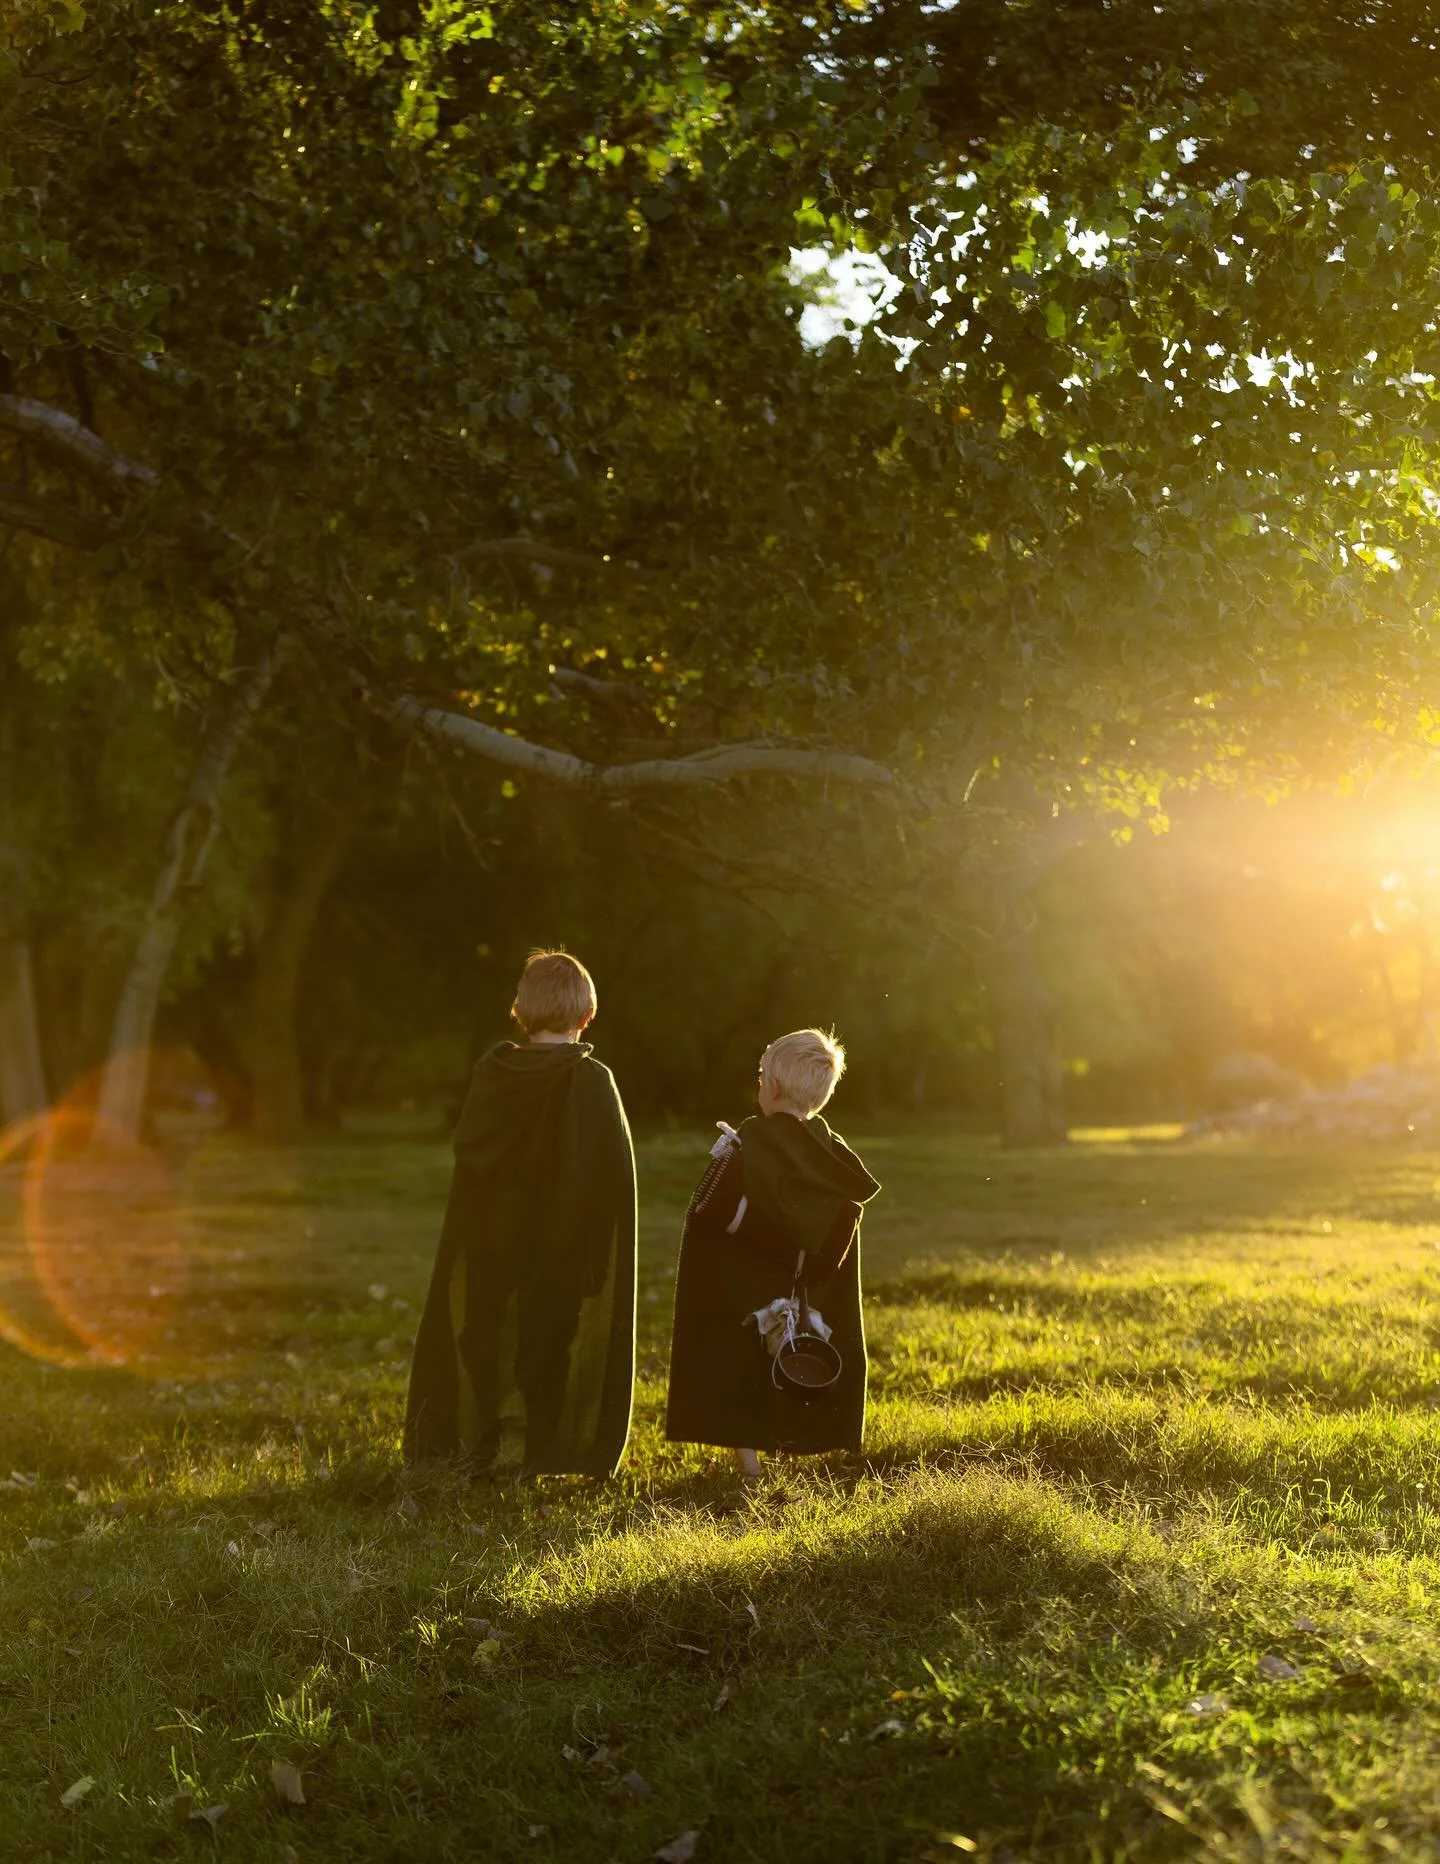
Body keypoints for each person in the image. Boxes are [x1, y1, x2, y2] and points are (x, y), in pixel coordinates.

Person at [404, 950, 636, 1477]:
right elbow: (610, 1180)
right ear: (587, 1015)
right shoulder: (593, 1080)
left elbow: (470, 1151)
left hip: (491, 1237)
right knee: (549, 1348)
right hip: (562, 1245)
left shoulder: (495, 1073)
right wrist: (593, 1253)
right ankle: (537, 1455)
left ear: (521, 1010)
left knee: (482, 1339)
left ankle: (482, 1446)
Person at [665, 1028, 880, 1483]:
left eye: (762, 1077)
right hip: (808, 1286)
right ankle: (791, 1438)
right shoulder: (833, 1154)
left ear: (774, 1087)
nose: (759, 1084)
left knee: (742, 1356)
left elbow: (709, 1212)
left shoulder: (749, 1144)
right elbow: (843, 1219)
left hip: (745, 1287)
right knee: (792, 1345)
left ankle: (750, 1462)